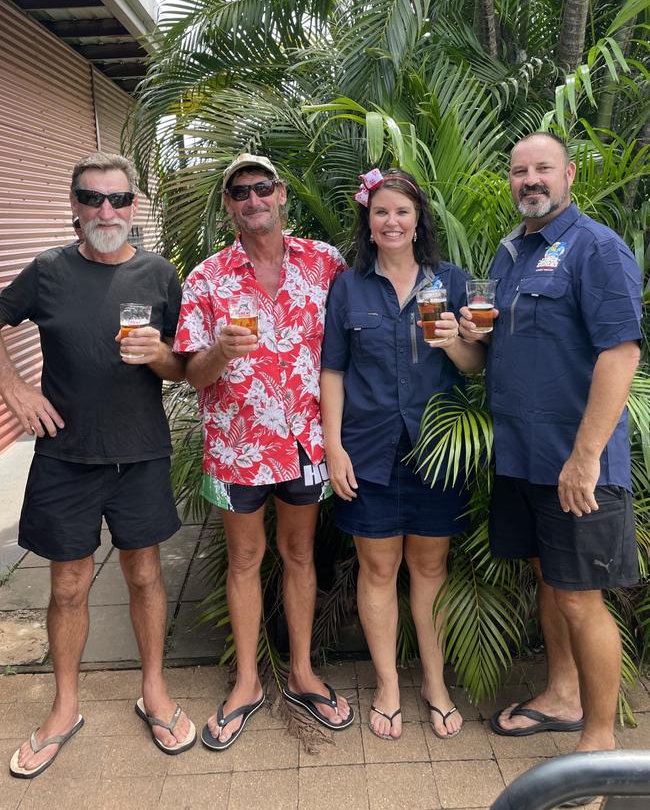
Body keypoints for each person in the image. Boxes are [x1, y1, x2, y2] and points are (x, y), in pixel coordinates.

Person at [1, 153, 196, 780]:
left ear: (134, 206)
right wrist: (16, 391)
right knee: (67, 585)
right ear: (74, 207)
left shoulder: (161, 275)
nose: (105, 211)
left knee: (144, 576)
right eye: (92, 199)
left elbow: (181, 368)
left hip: (140, 450)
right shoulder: (48, 271)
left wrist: (160, 354)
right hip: (67, 455)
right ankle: (64, 707)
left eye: (117, 199)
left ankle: (155, 691)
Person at [459, 132, 641, 766]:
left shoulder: (597, 250)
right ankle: (563, 694)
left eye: (542, 169)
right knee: (549, 577)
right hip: (521, 457)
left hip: (575, 464)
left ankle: (599, 743)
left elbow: (621, 354)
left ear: (567, 175)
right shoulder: (509, 257)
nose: (529, 180)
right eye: (518, 171)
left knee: (580, 597)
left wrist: (586, 456)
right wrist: (456, 338)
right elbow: (483, 359)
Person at [173, 152, 354, 751]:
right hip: (237, 447)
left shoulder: (325, 262)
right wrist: (221, 352)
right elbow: (192, 375)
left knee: (299, 553)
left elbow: (365, 319)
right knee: (245, 559)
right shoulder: (206, 278)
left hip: (306, 443)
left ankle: (301, 671)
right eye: (240, 192)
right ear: (229, 205)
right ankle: (248, 681)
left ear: (280, 195)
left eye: (262, 188)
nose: (253, 200)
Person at [320, 168, 486, 741]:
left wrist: (456, 344)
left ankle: (434, 682)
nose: (392, 222)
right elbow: (332, 370)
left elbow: (474, 367)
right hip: (367, 451)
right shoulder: (348, 286)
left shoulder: (451, 281)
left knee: (430, 568)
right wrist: (333, 446)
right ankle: (389, 684)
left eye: (402, 212)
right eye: (381, 212)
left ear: (418, 222)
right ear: (369, 222)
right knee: (377, 568)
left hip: (437, 451)